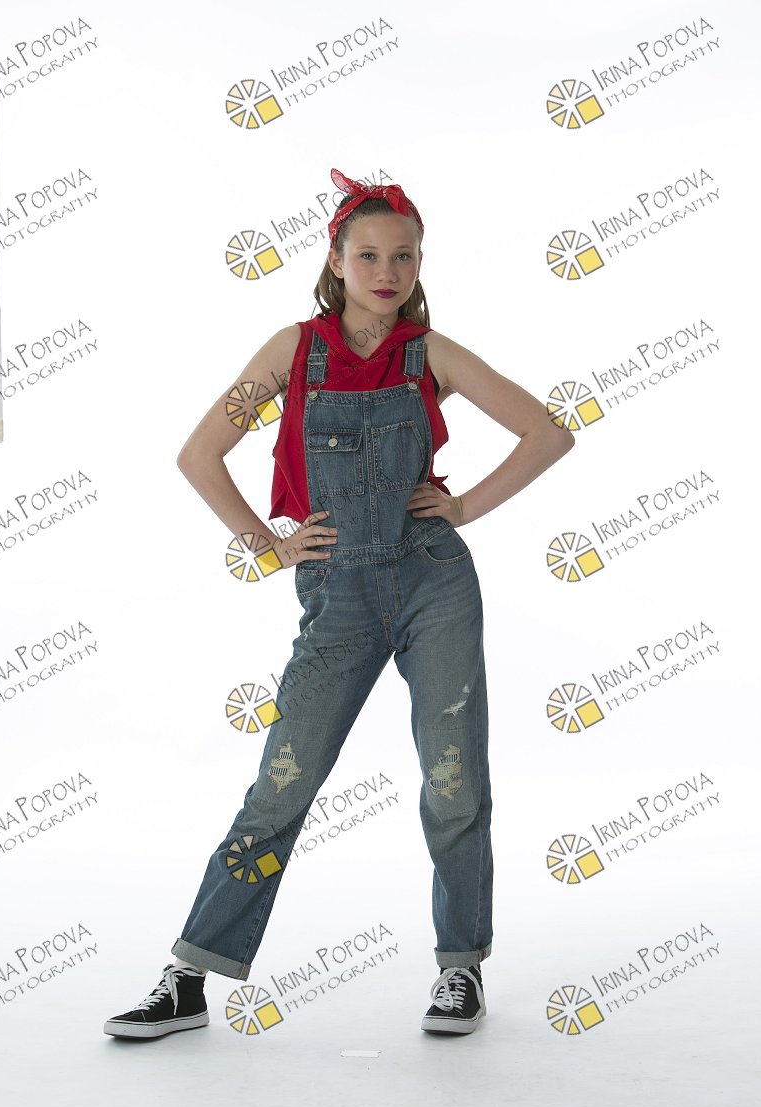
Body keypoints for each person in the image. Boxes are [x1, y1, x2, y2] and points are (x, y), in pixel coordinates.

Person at [103, 168, 575, 1041]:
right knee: (281, 784)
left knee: (454, 781)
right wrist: (269, 544)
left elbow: (550, 431)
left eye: (404, 256)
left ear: (420, 262)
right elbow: (200, 453)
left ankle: (460, 969)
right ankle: (190, 977)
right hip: (340, 595)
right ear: (335, 259)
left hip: (434, 582)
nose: (386, 272)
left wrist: (463, 508)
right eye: (368, 256)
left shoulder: (430, 353)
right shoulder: (291, 352)